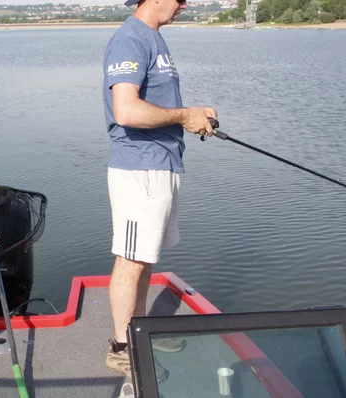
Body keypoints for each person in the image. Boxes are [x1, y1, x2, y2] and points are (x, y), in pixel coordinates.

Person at [102, 0, 217, 378]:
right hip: (140, 169)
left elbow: (156, 105)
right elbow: (126, 111)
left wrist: (193, 115)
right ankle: (122, 349)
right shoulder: (130, 40)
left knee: (145, 258)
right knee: (130, 260)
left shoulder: (153, 38)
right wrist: (186, 116)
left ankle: (140, 333)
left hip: (162, 164)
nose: (185, 3)